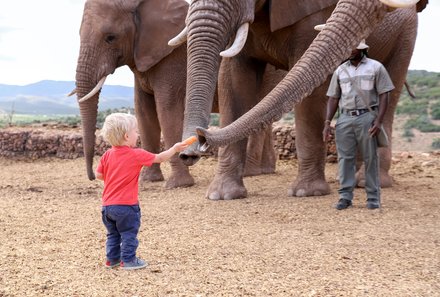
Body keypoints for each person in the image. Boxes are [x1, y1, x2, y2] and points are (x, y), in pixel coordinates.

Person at [96, 113, 189, 270]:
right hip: (126, 206)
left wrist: (114, 177)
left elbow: (99, 175)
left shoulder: (107, 155)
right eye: (136, 131)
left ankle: (112, 260)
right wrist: (174, 149)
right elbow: (159, 158)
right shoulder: (136, 154)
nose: (138, 134)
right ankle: (129, 260)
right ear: (127, 136)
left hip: (107, 207)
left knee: (113, 234)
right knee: (128, 233)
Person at [322, 39, 394, 210]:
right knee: (345, 159)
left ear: (362, 49)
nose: (350, 50)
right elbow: (333, 98)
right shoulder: (340, 70)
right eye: (348, 47)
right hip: (345, 118)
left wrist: (378, 120)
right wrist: (327, 123)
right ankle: (345, 197)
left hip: (366, 116)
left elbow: (385, 94)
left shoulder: (376, 67)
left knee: (370, 158)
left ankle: (373, 198)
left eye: (353, 47)